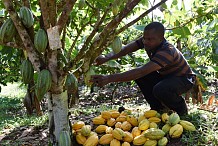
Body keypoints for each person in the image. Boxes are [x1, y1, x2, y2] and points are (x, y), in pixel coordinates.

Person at [91, 22, 195, 116]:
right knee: (143, 78)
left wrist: (109, 78)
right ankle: (158, 109)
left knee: (160, 88)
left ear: (161, 38)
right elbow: (125, 49)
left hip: (184, 79)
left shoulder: (167, 51)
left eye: (150, 39)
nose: (145, 41)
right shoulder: (147, 41)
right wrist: (106, 58)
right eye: (144, 38)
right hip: (168, 77)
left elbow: (141, 71)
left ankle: (181, 110)